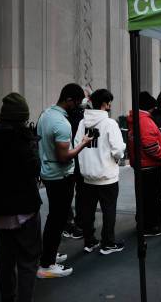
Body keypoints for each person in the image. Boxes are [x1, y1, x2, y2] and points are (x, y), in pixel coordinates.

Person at [0, 93, 41, 302]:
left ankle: (7, 298)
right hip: (25, 206)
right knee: (28, 260)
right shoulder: (24, 139)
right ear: (23, 116)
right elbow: (34, 169)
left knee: (4, 258)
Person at [36, 84, 92, 278]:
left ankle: (48, 254)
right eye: (77, 102)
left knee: (54, 217)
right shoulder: (61, 123)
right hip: (60, 176)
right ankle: (46, 265)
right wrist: (83, 144)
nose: (78, 106)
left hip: (49, 174)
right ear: (68, 100)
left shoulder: (45, 114)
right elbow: (64, 156)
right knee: (57, 220)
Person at [75, 89, 126, 255]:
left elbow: (76, 145)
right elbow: (118, 149)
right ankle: (108, 243)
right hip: (106, 176)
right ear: (105, 104)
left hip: (87, 176)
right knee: (108, 210)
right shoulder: (110, 123)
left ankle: (89, 241)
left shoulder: (83, 123)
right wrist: (118, 157)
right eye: (109, 102)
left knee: (88, 211)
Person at [128, 92, 161, 237]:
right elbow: (150, 145)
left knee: (144, 197)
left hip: (142, 166)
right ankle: (150, 227)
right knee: (152, 198)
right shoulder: (145, 121)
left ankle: (143, 223)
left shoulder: (136, 119)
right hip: (150, 166)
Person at [63, 87, 86, 240]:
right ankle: (75, 223)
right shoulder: (80, 117)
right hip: (75, 158)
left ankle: (71, 223)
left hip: (73, 159)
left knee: (69, 194)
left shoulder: (66, 117)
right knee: (77, 193)